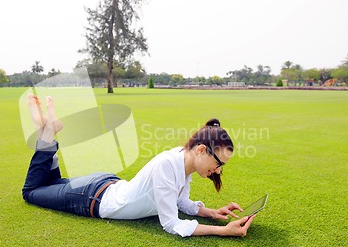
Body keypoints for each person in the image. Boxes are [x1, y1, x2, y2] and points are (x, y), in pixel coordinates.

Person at [22, 94, 256, 237]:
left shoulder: (182, 161)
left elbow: (180, 202)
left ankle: (47, 132)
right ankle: (47, 132)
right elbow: (171, 224)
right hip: (92, 197)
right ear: (202, 150)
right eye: (218, 163)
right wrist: (223, 231)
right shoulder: (169, 164)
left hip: (103, 187)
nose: (218, 171)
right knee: (31, 192)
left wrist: (211, 213)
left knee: (50, 183)